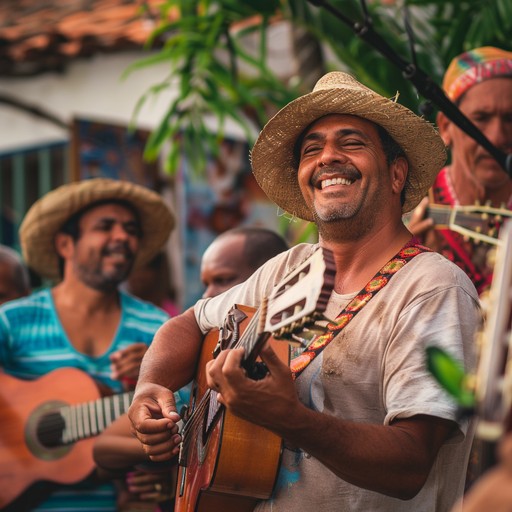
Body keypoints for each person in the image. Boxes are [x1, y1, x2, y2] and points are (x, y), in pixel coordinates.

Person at [128, 72, 480, 511]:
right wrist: (150, 386)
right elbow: (189, 323)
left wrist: (289, 419)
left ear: (396, 173)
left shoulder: (432, 287)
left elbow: (411, 464)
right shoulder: (288, 269)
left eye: (351, 142)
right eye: (312, 149)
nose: (328, 158)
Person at [0, 178, 174, 511]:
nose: (123, 236)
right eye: (105, 226)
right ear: (65, 244)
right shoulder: (12, 321)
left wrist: (151, 380)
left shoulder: (159, 329)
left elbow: (182, 423)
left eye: (131, 229)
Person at [93, 226, 288, 508]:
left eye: (222, 280)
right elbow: (103, 449)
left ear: (262, 280)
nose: (207, 295)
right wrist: (174, 445)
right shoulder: (198, 360)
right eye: (205, 282)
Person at [408, 46, 512, 296]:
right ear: (445, 127)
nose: (497, 137)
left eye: (510, 119)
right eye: (480, 118)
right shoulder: (404, 210)